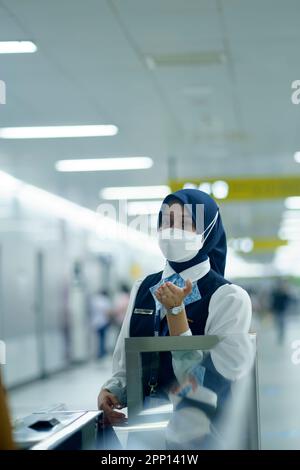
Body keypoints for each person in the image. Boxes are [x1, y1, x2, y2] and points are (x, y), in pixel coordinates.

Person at [98, 189, 252, 425]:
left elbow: (220, 376)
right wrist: (113, 390)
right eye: (166, 222)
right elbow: (126, 358)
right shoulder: (143, 288)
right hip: (146, 429)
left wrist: (176, 315)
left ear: (207, 231)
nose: (172, 231)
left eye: (185, 223)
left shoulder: (227, 297)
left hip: (202, 430)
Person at [90, 289, 112, 359]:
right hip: (103, 321)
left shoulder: (94, 300)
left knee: (99, 338)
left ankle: (99, 353)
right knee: (103, 338)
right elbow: (107, 312)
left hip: (95, 322)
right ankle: (102, 353)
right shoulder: (105, 300)